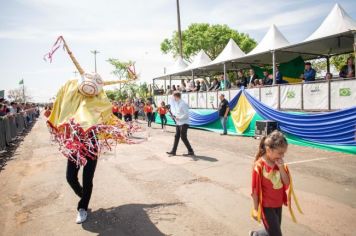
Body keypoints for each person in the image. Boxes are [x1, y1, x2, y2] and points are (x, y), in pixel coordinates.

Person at [44, 36, 138, 224]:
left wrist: (129, 78)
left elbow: (111, 94)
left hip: (91, 144)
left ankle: (82, 207)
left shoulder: (98, 103)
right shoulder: (73, 99)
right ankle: (84, 196)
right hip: (74, 144)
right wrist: (66, 46)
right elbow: (73, 60)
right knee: (70, 177)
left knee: (88, 179)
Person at [249, 131, 302, 236]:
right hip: (266, 206)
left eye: (283, 153)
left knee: (273, 231)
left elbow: (287, 183)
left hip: (278, 204)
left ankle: (256, 234)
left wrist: (281, 168)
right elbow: (255, 190)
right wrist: (255, 208)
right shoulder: (259, 166)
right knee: (276, 234)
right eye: (279, 153)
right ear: (269, 150)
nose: (282, 156)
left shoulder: (279, 163)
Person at [166, 91, 194, 157]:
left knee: (183, 137)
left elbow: (186, 115)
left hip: (184, 123)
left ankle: (190, 151)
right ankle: (173, 151)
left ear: (176, 96)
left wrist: (179, 118)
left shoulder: (183, 103)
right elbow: (179, 113)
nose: (172, 98)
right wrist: (174, 116)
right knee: (176, 136)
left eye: (173, 97)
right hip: (179, 123)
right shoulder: (178, 103)